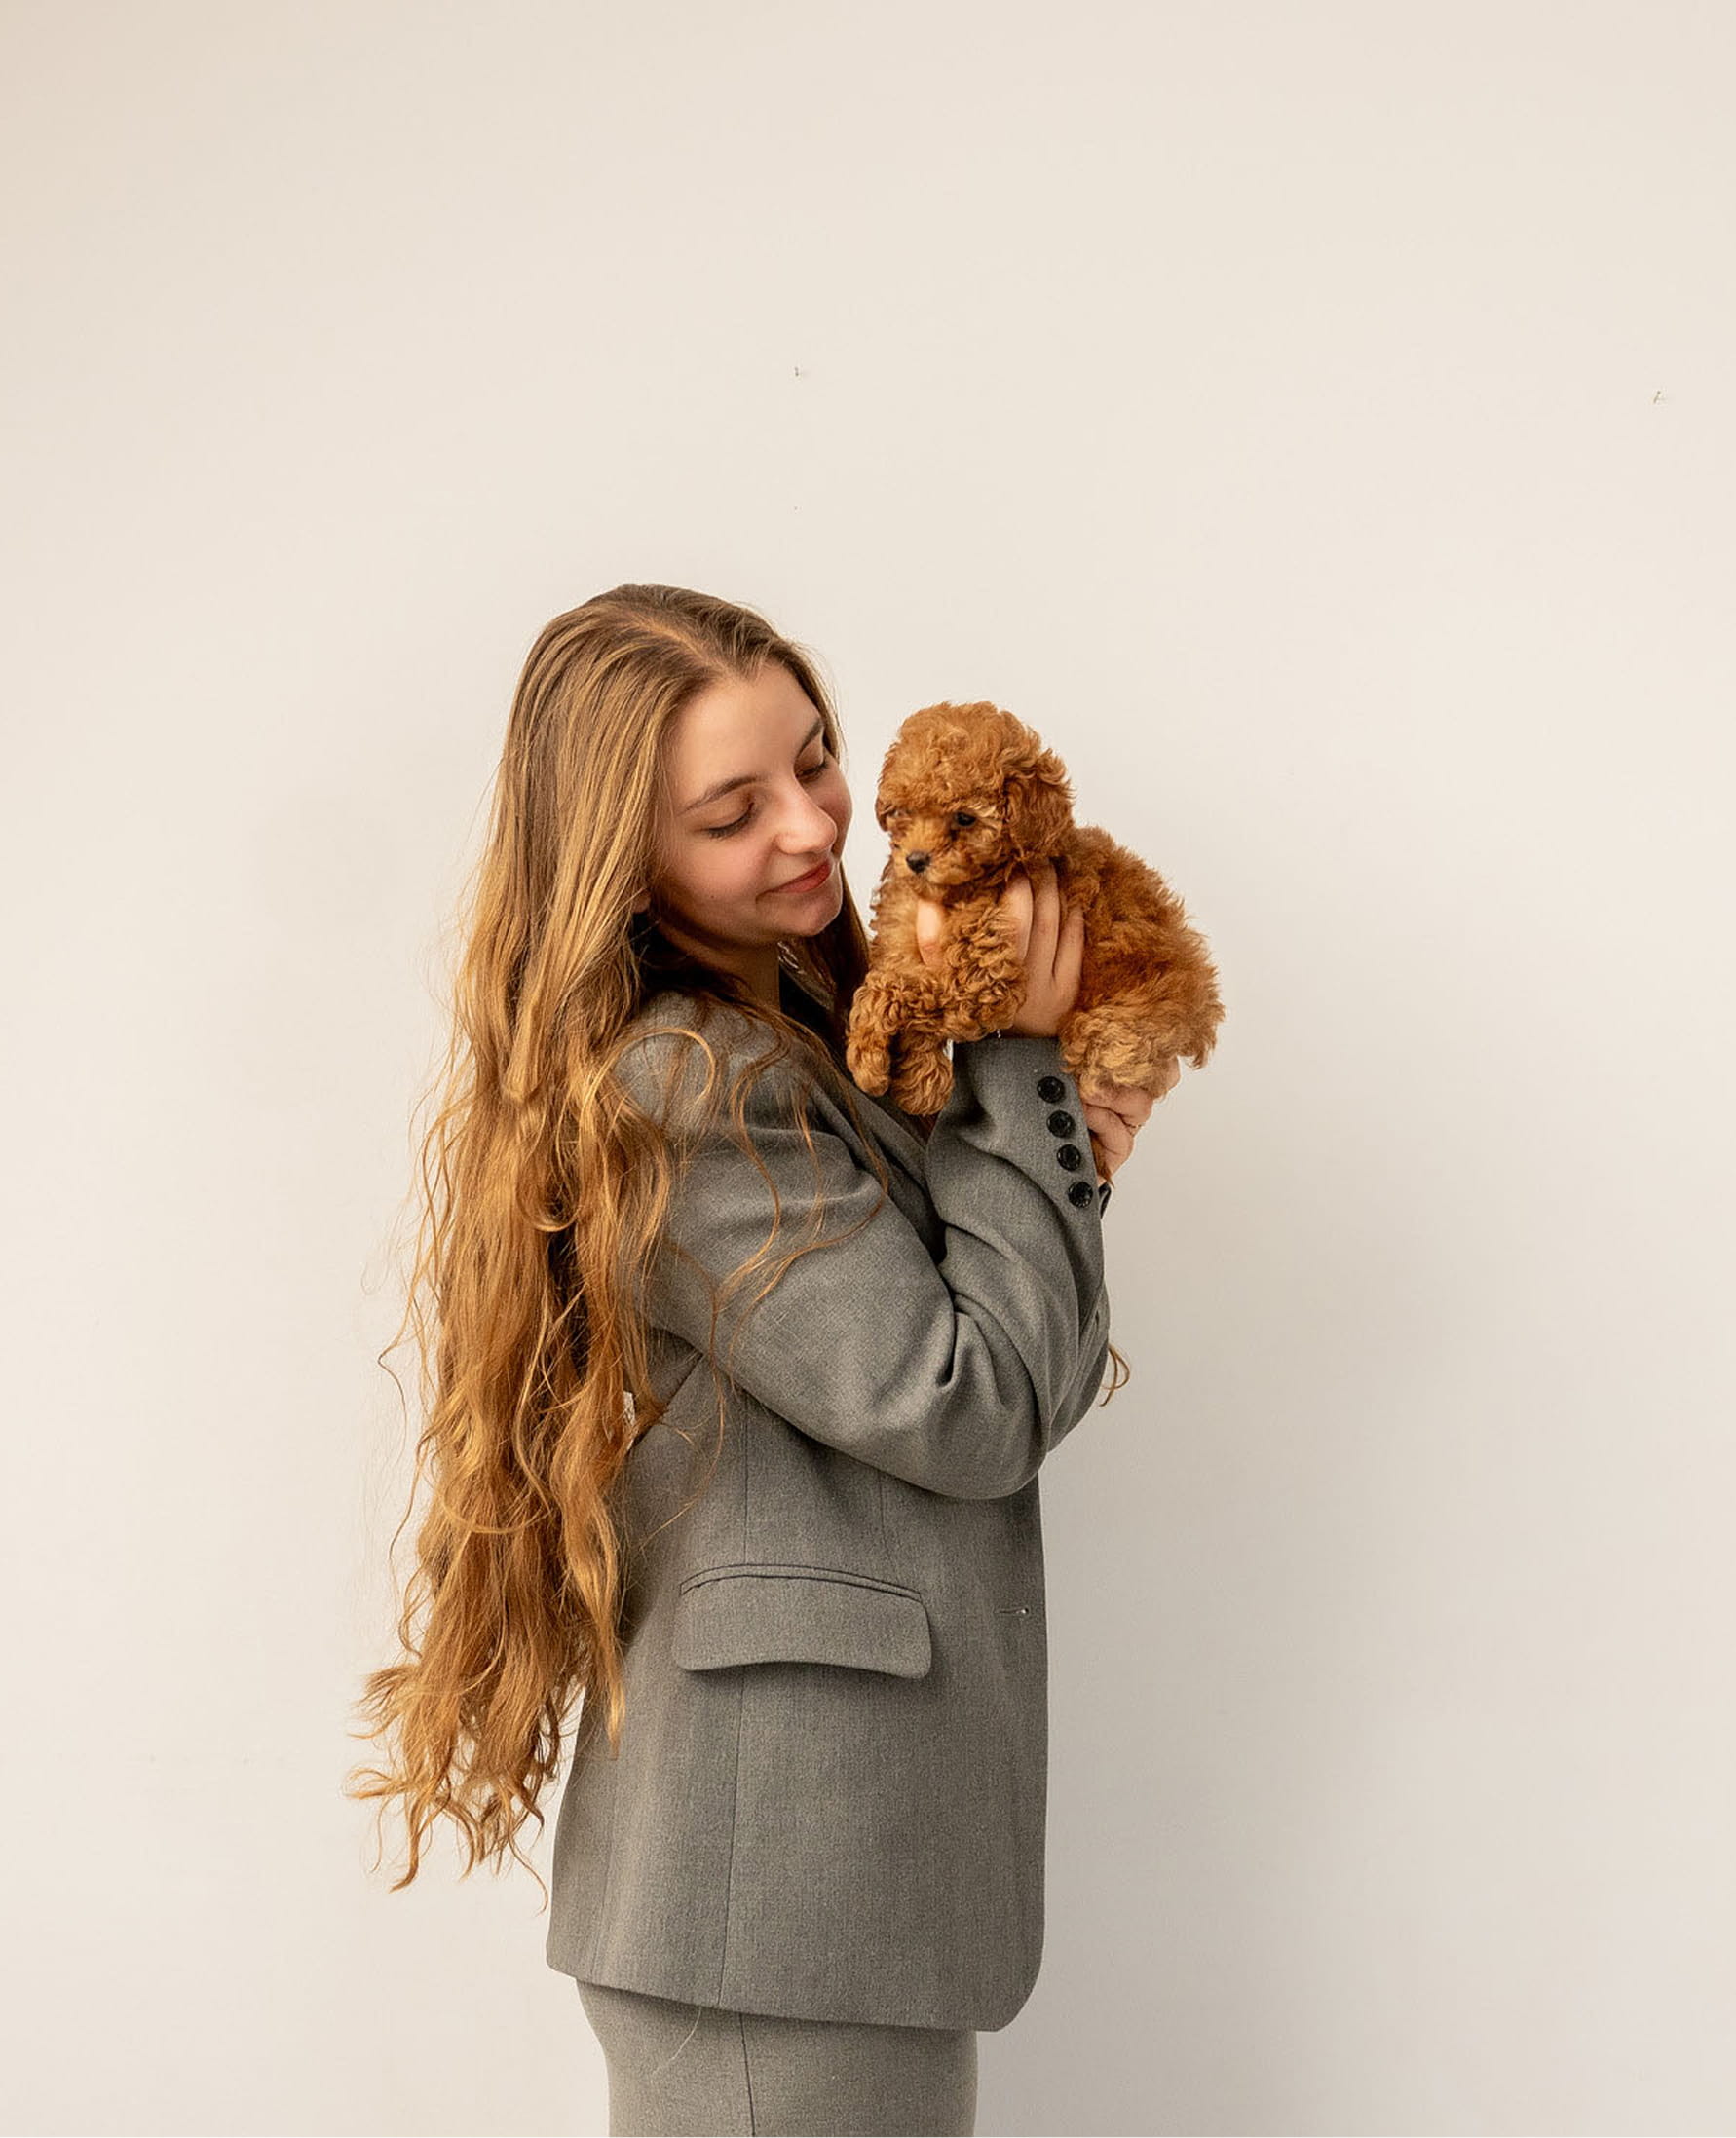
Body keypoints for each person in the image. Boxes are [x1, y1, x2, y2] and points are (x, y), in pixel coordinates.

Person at [350, 584, 1173, 2135]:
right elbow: (968, 1405)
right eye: (732, 812)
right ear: (624, 857)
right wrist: (1013, 1062)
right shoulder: (681, 1080)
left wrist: (1059, 1157)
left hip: (822, 1896)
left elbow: (1002, 1365)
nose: (809, 826)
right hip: (776, 1900)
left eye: (815, 760)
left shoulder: (796, 1024)